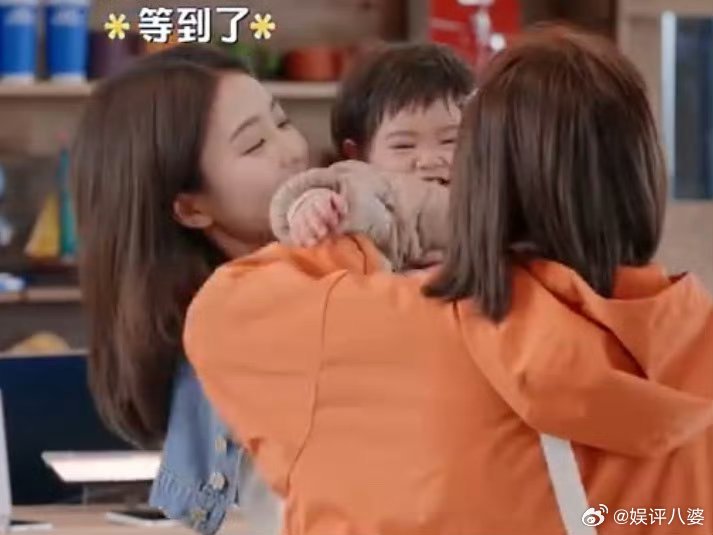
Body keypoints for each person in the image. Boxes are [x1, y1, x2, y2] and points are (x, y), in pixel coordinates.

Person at [183, 27, 713, 534]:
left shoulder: (388, 328)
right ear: (647, 173)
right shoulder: (690, 342)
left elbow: (223, 313)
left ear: (482, 180)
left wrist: (403, 214)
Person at [71, 45, 309, 535]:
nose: (292, 150)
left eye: (282, 121)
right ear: (191, 208)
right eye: (253, 145)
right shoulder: (231, 332)